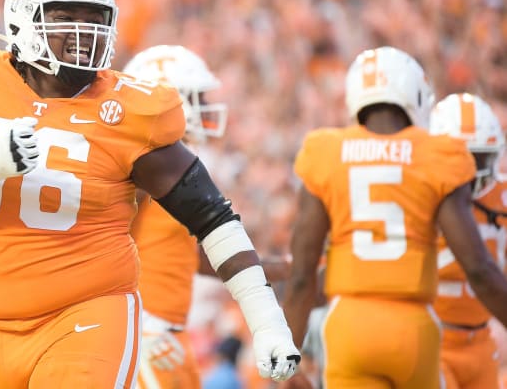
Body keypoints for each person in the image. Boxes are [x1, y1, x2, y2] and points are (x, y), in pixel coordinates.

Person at [0, 0, 300, 388]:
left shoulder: (129, 111)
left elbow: (213, 217)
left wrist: (267, 320)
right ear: (23, 19)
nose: (84, 33)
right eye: (66, 16)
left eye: (95, 18)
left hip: (86, 315)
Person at [282, 46, 507, 388]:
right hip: (414, 325)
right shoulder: (438, 155)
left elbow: (302, 276)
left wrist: (286, 358)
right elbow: (479, 269)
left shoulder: (324, 151)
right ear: (415, 97)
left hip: (351, 325)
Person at [122, 45, 292, 389]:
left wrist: (272, 268)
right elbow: (109, 242)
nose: (203, 105)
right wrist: (138, 328)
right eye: (195, 96)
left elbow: (187, 256)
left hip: (167, 328)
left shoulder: (171, 167)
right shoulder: (142, 162)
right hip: (147, 329)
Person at [430, 92, 507, 389]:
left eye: (477, 160)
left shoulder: (500, 196)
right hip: (434, 338)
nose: (469, 176)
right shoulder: (420, 196)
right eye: (460, 161)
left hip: (482, 339)